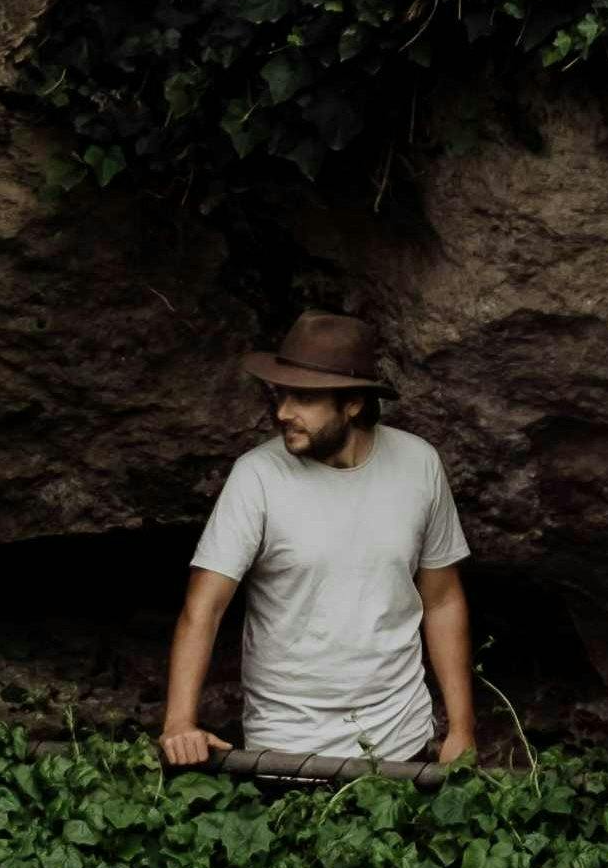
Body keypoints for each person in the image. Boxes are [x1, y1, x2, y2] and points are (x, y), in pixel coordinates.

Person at [161, 311, 478, 778]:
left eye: (304, 397)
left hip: (401, 739)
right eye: (283, 394)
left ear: (352, 404)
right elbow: (202, 608)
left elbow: (444, 599)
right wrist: (178, 723)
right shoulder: (257, 477)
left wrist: (462, 729)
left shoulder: (419, 464)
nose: (284, 411)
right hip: (284, 745)